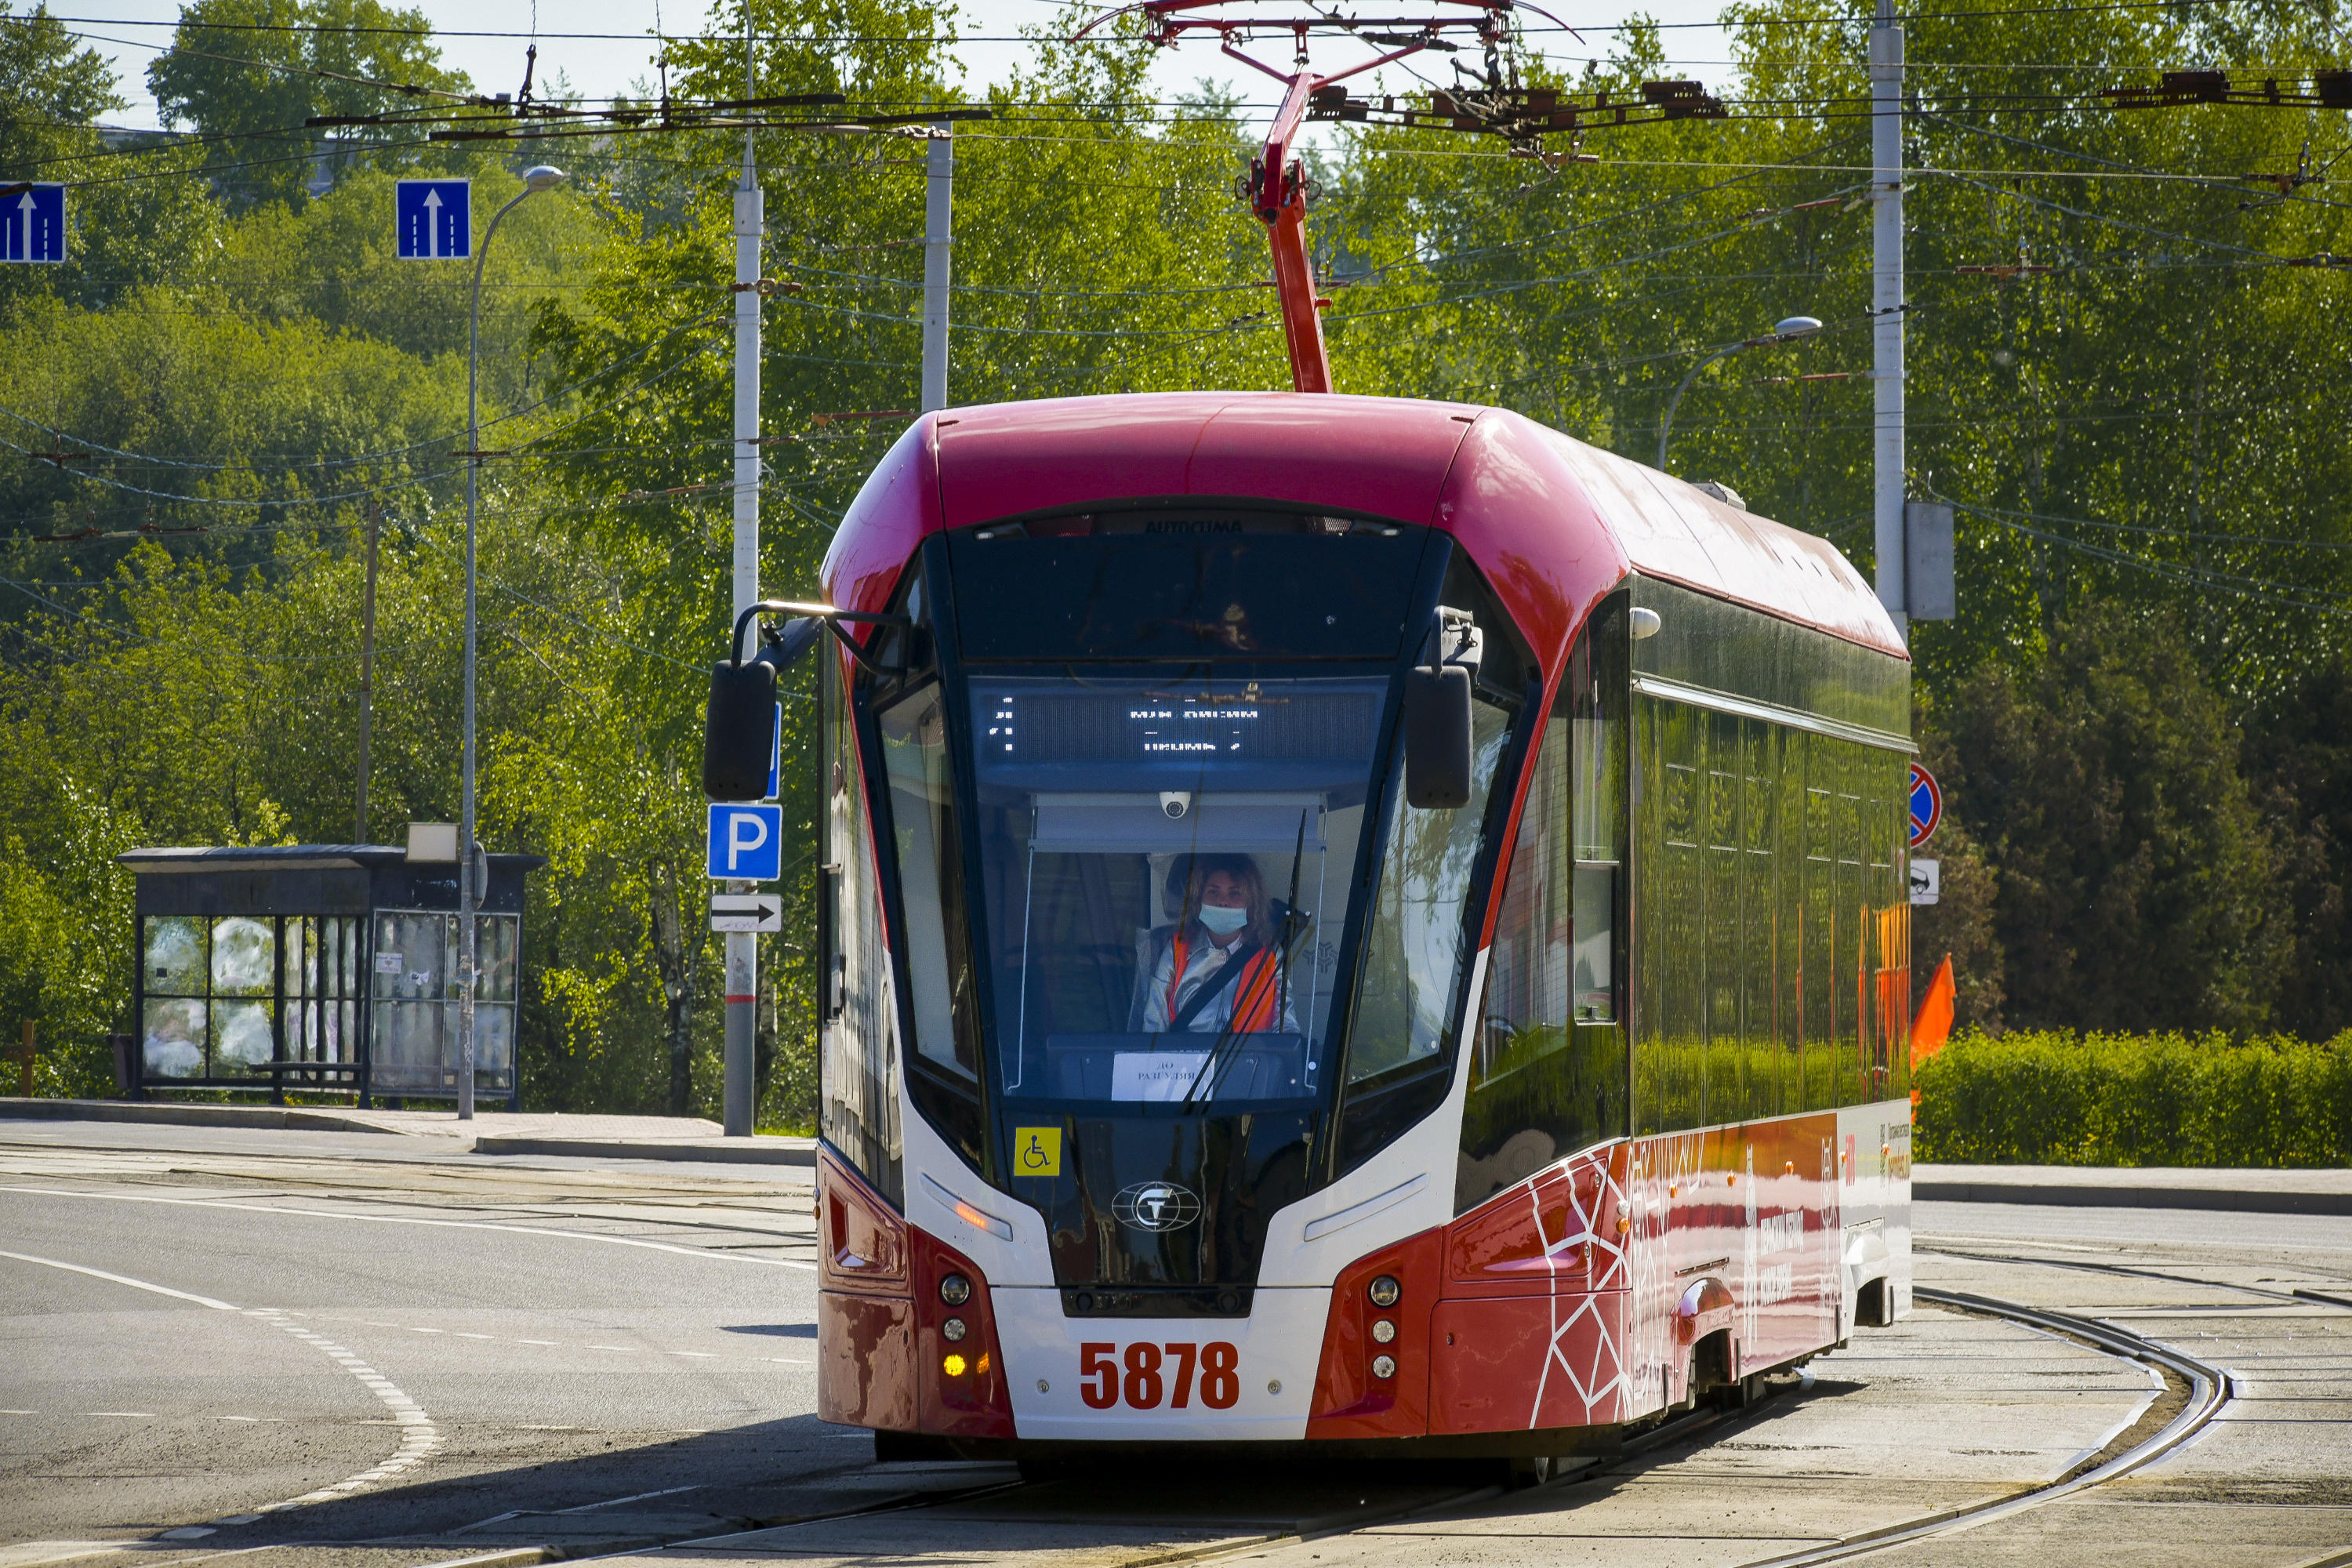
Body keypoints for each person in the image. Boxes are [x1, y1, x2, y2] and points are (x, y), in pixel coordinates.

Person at [1134, 853, 1299, 1036]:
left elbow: (1286, 1027)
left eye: (1235, 893)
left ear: (1252, 903)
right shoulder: (1176, 950)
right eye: (1213, 891)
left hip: (1248, 1061)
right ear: (1199, 899)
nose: (1223, 901)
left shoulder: (1270, 954)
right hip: (1186, 1061)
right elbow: (1153, 1027)